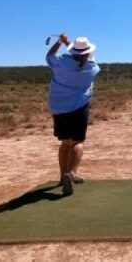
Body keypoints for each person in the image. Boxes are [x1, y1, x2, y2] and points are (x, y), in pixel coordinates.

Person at [46, 33, 100, 195]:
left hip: (59, 107)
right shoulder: (93, 68)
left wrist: (60, 42)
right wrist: (68, 44)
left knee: (64, 143)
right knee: (77, 142)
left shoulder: (61, 63)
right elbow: (86, 56)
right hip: (80, 106)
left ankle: (63, 176)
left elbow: (49, 56)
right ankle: (72, 173)